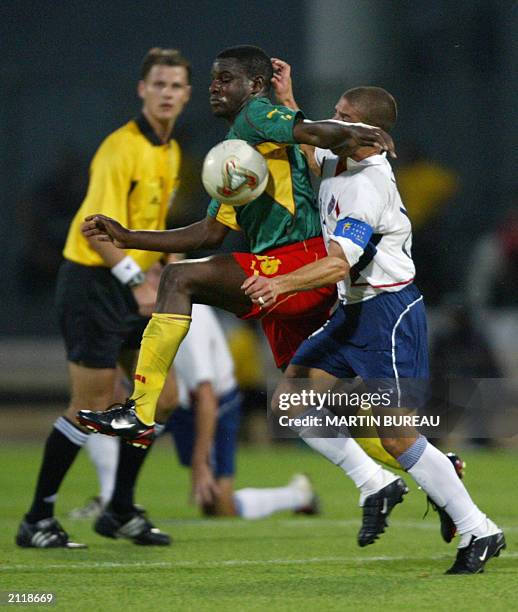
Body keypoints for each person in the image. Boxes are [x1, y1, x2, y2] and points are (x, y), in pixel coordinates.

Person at [242, 61, 505, 574]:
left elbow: (339, 262)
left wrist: (277, 283)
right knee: (290, 400)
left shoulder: (369, 186)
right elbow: (308, 142)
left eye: (343, 117)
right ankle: (376, 480)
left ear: (369, 131)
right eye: (335, 113)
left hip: (387, 313)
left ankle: (479, 528)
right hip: (352, 309)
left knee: (396, 434)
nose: (332, 122)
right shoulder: (340, 155)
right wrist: (290, 99)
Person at [16, 47, 192, 549]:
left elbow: (147, 228)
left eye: (176, 85)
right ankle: (37, 518)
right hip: (93, 284)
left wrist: (168, 270)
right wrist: (140, 279)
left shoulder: (169, 150)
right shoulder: (121, 148)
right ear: (142, 89)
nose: (166, 93)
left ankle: (118, 509)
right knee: (90, 403)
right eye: (158, 83)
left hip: (133, 282)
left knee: (162, 397)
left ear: (186, 94)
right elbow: (94, 230)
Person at [74, 302, 319, 519]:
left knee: (219, 507)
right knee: (101, 413)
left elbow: (206, 395)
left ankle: (297, 494)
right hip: (172, 400)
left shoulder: (189, 318)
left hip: (215, 405)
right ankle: (109, 497)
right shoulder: (133, 309)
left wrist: (200, 462)